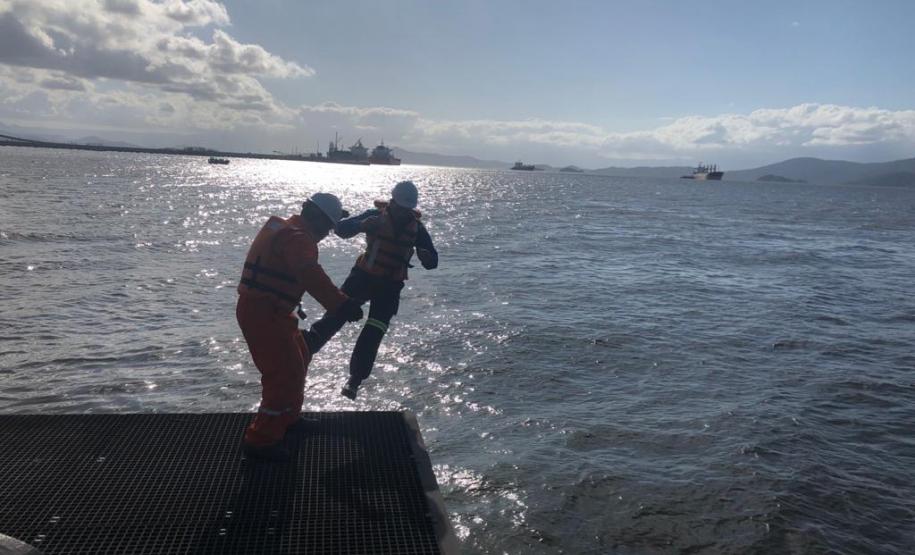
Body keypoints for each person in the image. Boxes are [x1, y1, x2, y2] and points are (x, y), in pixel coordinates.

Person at [236, 193, 364, 461]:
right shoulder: (297, 240)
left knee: (301, 356)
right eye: (328, 227)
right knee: (283, 376)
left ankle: (288, 421)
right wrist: (341, 305)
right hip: (263, 314)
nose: (328, 234)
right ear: (316, 219)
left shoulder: (285, 229)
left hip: (276, 313)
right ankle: (261, 443)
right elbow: (311, 276)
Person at [303, 180, 438, 400]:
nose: (404, 212)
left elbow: (433, 261)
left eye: (407, 209)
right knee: (337, 314)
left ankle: (354, 380)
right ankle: (306, 348)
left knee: (374, 331)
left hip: (391, 287)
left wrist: (427, 257)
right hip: (363, 277)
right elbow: (340, 229)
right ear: (392, 202)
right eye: (400, 208)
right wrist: (362, 225)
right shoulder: (374, 215)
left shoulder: (418, 229)